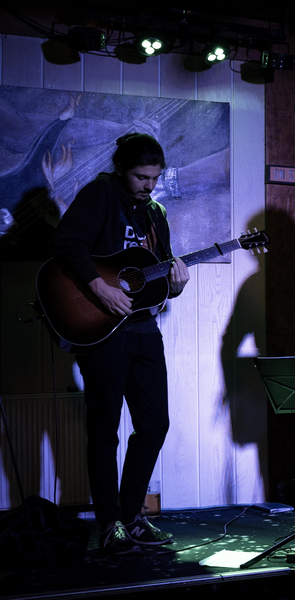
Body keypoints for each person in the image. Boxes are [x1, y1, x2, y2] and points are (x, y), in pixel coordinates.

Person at [54, 133, 190, 554]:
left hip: (144, 329)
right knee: (104, 430)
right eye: (141, 177)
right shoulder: (100, 193)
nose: (149, 185)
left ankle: (132, 517)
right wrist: (99, 287)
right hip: (102, 330)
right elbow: (67, 244)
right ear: (121, 169)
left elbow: (158, 275)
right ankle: (108, 523)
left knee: (155, 424)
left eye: (155, 178)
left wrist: (176, 284)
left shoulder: (155, 214)